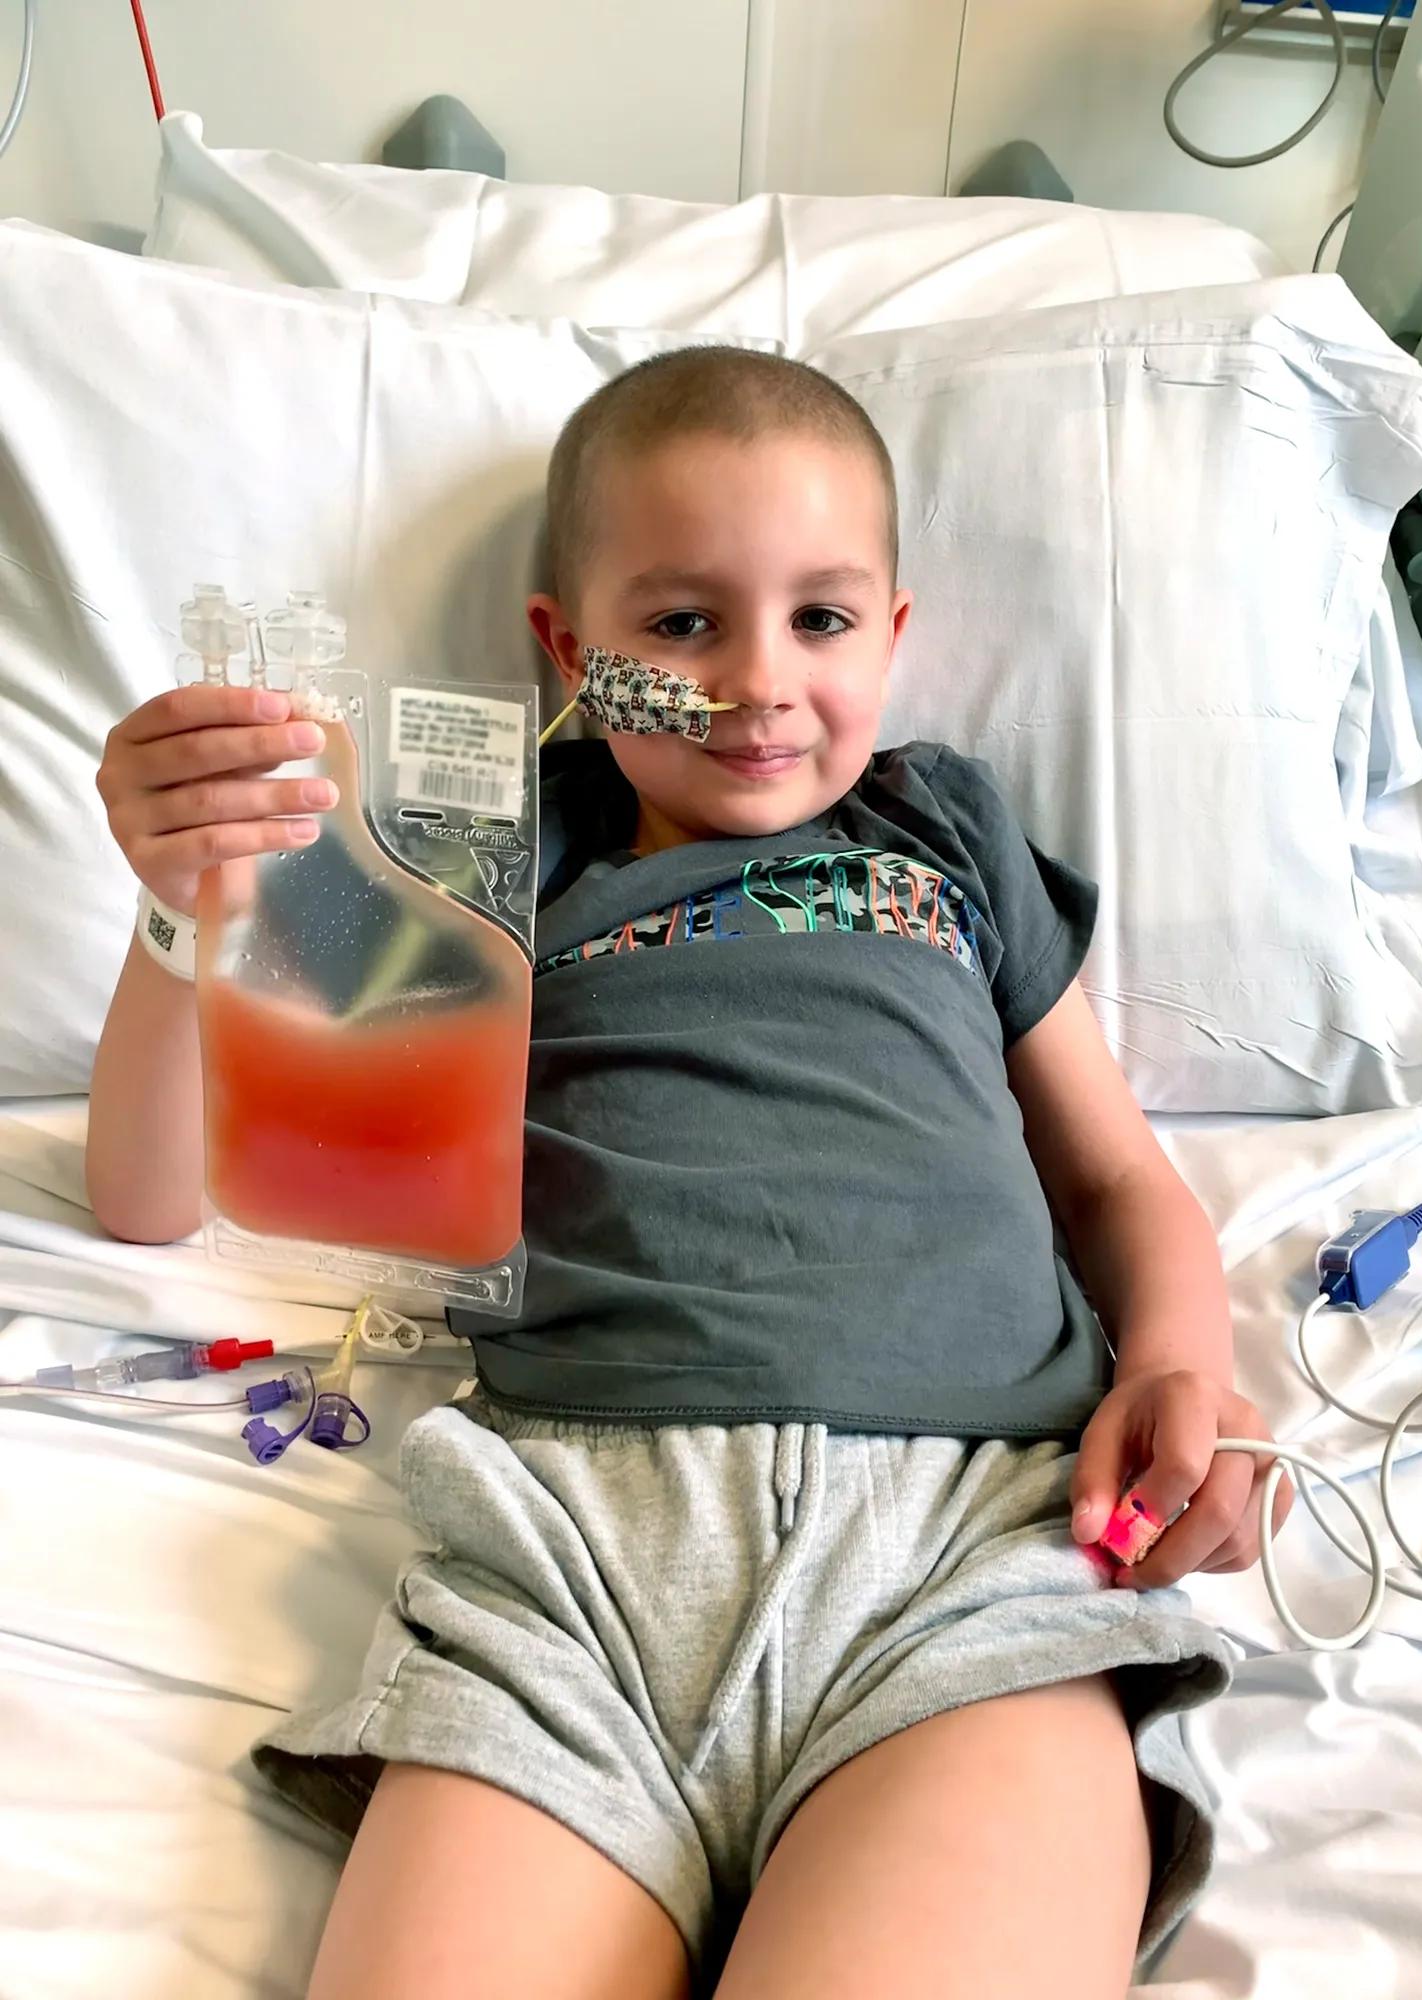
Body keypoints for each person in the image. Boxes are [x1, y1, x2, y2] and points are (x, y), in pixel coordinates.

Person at [89, 348, 1288, 2000]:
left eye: (821, 619)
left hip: (967, 1561)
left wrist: (1178, 1366)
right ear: (568, 654)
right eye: (679, 626)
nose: (759, 683)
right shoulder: (492, 857)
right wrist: (183, 898)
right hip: (580, 1560)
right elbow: (155, 1193)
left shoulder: (938, 841)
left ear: (895, 634)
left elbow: (1117, 1179)